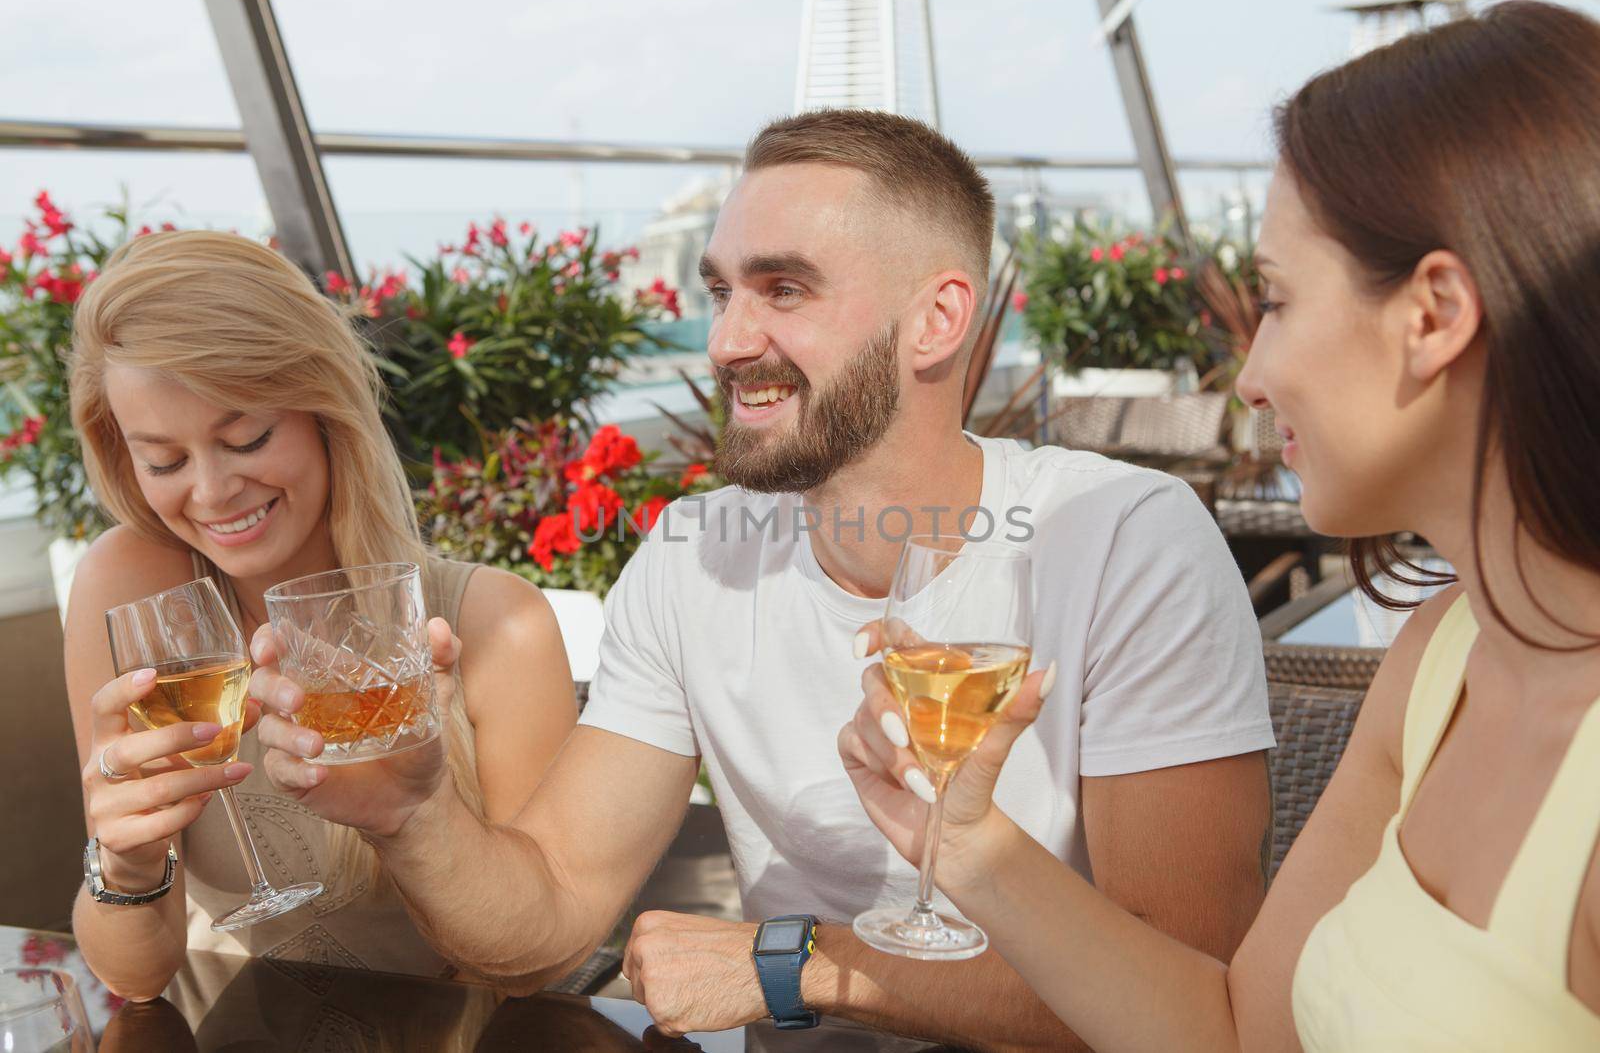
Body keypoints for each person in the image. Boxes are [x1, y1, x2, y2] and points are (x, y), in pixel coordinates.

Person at [248, 109, 1275, 1049]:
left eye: (783, 288)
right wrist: (411, 816)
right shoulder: (696, 552)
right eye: (720, 291)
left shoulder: (1122, 540)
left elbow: (1189, 997)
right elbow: (547, 921)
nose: (728, 341)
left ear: (937, 319)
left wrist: (798, 963)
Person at [841, 0, 1600, 1051]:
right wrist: (963, 843)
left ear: (1432, 314)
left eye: (1276, 301)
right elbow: (1236, 1030)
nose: (1249, 377)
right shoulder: (1441, 662)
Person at [64, 231, 576, 999]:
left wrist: (414, 818)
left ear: (323, 410)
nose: (210, 491)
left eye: (246, 437)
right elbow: (134, 976)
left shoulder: (499, 624)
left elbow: (539, 967)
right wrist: (127, 863)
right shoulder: (129, 587)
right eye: (164, 460)